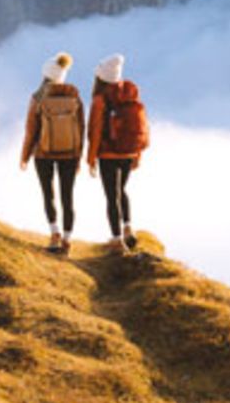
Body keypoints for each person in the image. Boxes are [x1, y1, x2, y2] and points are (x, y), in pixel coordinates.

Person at [19, 52, 85, 254]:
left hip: (43, 153)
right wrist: (79, 156)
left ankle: (54, 233)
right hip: (70, 154)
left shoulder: (38, 97)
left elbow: (31, 130)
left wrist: (24, 156)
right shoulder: (74, 96)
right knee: (68, 197)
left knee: (48, 195)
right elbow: (81, 128)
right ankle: (67, 239)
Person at [86, 53, 149, 254]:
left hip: (108, 155)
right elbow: (140, 127)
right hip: (129, 153)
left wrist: (90, 159)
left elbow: (95, 131)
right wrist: (138, 154)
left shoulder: (100, 100)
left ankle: (116, 240)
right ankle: (128, 227)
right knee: (121, 190)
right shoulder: (130, 94)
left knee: (111, 196)